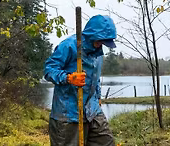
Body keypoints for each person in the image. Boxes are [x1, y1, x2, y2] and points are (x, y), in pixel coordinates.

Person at [44, 15, 117, 146]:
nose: (101, 45)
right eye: (100, 41)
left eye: (105, 42)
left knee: (107, 142)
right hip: (68, 114)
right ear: (91, 35)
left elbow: (96, 78)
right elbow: (49, 70)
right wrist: (69, 78)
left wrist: (98, 97)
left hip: (92, 111)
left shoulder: (98, 53)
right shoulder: (69, 46)